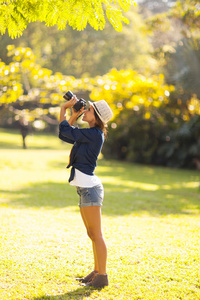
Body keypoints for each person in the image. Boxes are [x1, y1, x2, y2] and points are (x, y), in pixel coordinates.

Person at [59, 95, 113, 288]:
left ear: (96, 117)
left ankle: (102, 276)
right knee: (91, 233)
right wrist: (73, 114)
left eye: (88, 110)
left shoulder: (94, 134)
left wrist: (65, 109)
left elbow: (66, 130)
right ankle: (97, 272)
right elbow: (65, 134)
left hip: (90, 189)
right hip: (85, 189)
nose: (85, 110)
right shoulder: (90, 133)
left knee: (96, 234)